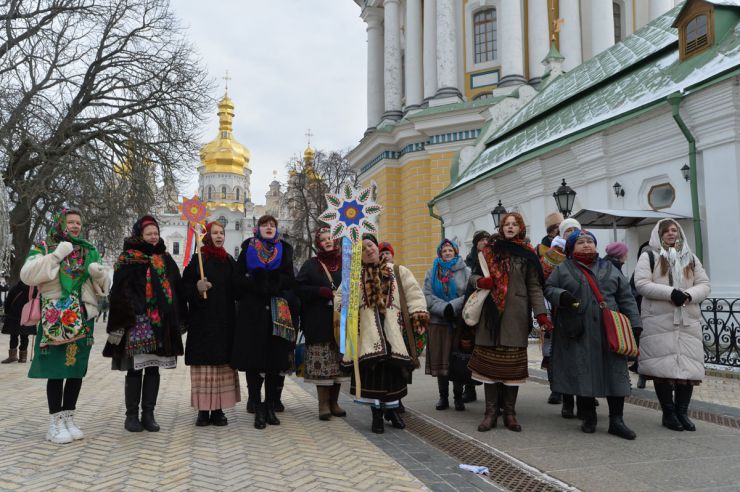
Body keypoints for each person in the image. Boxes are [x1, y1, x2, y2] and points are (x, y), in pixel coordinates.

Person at [21, 209, 109, 443]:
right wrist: (56, 256)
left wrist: (99, 274)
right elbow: (27, 274)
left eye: (78, 222)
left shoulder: (88, 249)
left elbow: (104, 284)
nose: (74, 226)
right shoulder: (45, 245)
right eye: (70, 222)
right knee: (56, 370)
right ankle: (54, 423)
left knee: (76, 369)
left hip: (82, 314)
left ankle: (69, 417)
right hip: (56, 316)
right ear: (61, 223)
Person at [544, 229, 641, 440]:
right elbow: (549, 288)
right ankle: (589, 417)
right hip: (578, 329)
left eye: (590, 241)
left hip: (610, 330)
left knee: (616, 374)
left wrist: (635, 324)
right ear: (571, 248)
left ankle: (617, 420)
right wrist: (563, 297)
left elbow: (626, 296)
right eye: (580, 242)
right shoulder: (563, 268)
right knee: (583, 372)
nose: (586, 245)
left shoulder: (610, 268)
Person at [469, 213, 551, 433]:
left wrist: (541, 314)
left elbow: (534, 286)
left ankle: (510, 413)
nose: (510, 227)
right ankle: (490, 413)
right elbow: (472, 276)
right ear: (501, 227)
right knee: (489, 367)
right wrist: (480, 281)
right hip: (490, 315)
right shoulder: (489, 250)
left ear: (521, 228)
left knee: (512, 368)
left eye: (515, 224)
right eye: (507, 224)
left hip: (515, 315)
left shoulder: (528, 253)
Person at [339, 234, 428, 434]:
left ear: (377, 247)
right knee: (372, 375)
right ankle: (376, 415)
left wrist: (419, 316)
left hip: (394, 332)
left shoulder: (397, 270)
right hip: (368, 336)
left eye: (370, 245)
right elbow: (340, 302)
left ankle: (393, 410)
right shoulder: (353, 278)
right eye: (362, 249)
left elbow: (414, 294)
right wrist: (346, 304)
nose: (368, 250)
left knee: (394, 375)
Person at [103, 215, 185, 433]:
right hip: (136, 321)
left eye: (156, 233)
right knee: (135, 370)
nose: (153, 237)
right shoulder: (128, 259)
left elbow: (177, 287)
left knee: (153, 369)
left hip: (160, 324)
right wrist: (134, 309)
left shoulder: (165, 259)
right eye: (149, 234)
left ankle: (148, 414)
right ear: (139, 235)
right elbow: (119, 290)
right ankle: (131, 416)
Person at [634, 219, 710, 432]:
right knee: (663, 368)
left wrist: (687, 294)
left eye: (674, 230)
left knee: (688, 368)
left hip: (687, 319)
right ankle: (669, 413)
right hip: (660, 320)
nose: (671, 234)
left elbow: (704, 284)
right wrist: (670, 293)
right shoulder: (649, 255)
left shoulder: (690, 258)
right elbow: (641, 284)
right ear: (658, 234)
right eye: (666, 231)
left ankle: (682, 412)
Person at [231, 215, 296, 429]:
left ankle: (270, 405)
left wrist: (274, 282)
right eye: (265, 225)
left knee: (273, 361)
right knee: (254, 361)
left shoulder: (285, 250)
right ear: (257, 228)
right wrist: (254, 280)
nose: (269, 227)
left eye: (272, 225)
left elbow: (290, 279)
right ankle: (257, 406)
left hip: (277, 311)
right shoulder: (248, 247)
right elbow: (237, 281)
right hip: (253, 312)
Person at [182, 221, 241, 426]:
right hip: (203, 324)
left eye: (222, 233)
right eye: (215, 233)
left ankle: (218, 410)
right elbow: (184, 287)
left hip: (225, 322)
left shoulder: (229, 260)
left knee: (221, 367)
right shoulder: (199, 258)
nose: (219, 236)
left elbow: (237, 290)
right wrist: (197, 289)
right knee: (204, 368)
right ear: (207, 237)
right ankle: (202, 411)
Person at [296, 227, 347, 420]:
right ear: (319, 243)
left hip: (340, 322)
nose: (327, 242)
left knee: (338, 364)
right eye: (324, 239)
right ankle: (323, 404)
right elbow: (299, 288)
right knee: (323, 363)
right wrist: (319, 292)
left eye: (330, 239)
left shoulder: (345, 264)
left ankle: (334, 402)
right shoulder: (311, 265)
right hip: (318, 322)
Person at [423, 239, 470, 411]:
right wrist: (444, 308)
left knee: (457, 361)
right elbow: (427, 295)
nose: (447, 253)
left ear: (456, 252)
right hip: (438, 322)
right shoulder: (432, 272)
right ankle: (443, 397)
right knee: (441, 360)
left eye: (450, 250)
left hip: (458, 321)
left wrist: (453, 307)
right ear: (440, 254)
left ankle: (459, 397)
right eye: (444, 251)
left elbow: (469, 295)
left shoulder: (466, 271)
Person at [1, 281, 34, 364]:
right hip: (28, 316)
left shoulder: (15, 288)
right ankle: (23, 357)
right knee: (25, 336)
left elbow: (8, 301)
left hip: (14, 315)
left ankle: (12, 356)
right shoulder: (33, 289)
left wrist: (7, 312)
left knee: (14, 335)